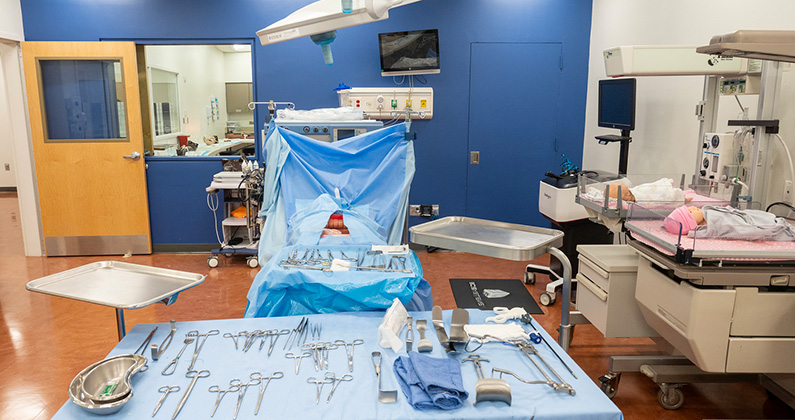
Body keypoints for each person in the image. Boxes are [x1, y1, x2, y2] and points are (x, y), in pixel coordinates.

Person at [663, 204, 795, 241]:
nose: (692, 208)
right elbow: (743, 230)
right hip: (762, 226)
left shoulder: (707, 214)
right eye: (690, 213)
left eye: (689, 208)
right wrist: (773, 228)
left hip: (748, 217)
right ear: (691, 223)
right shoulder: (714, 224)